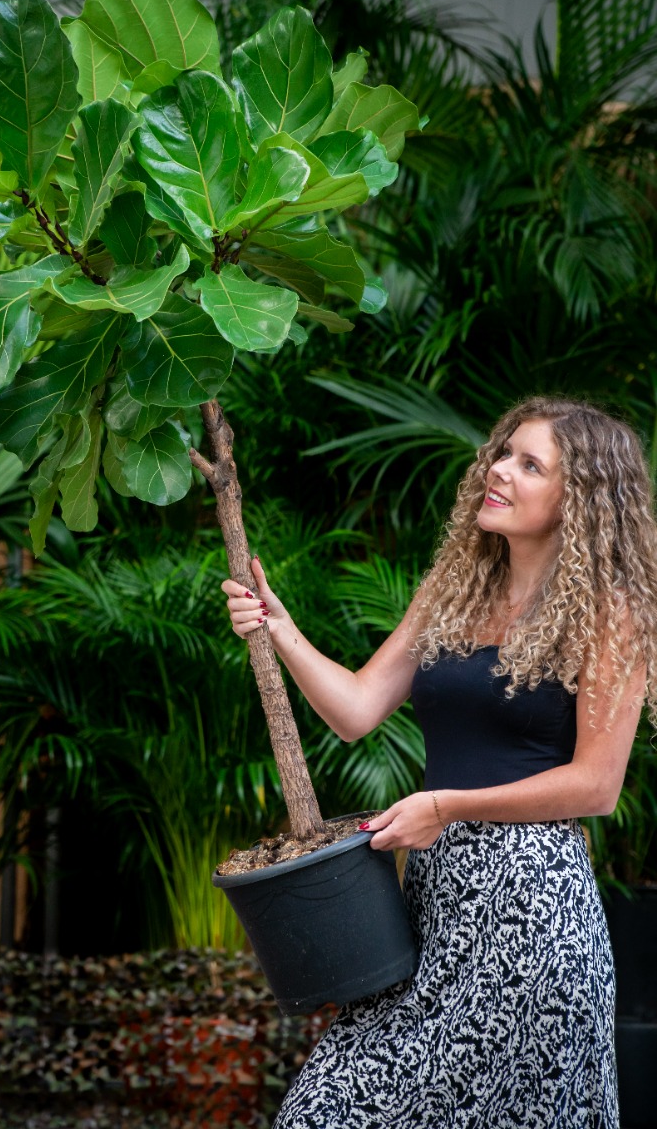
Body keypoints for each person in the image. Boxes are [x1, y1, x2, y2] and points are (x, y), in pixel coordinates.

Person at [222, 396, 657, 1129]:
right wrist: (279, 629)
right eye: (501, 452)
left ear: (577, 499)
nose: (497, 471)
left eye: (529, 464)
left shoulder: (609, 613)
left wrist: (446, 805)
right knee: (321, 1111)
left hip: (530, 916)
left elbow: (596, 785)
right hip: (433, 903)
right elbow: (357, 710)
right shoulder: (456, 589)